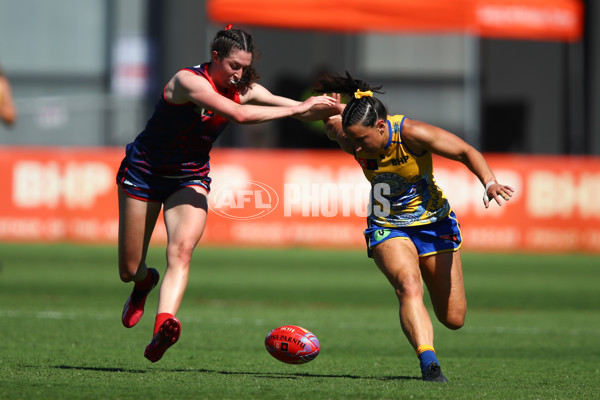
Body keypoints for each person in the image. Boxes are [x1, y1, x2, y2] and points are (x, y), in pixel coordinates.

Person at [116, 25, 338, 363]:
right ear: (215, 57)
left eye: (245, 67)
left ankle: (164, 326)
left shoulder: (243, 87)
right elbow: (239, 114)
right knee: (129, 269)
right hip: (143, 174)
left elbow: (299, 107)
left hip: (188, 177)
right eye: (234, 65)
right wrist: (298, 110)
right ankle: (145, 283)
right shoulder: (188, 81)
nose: (239, 74)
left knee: (182, 250)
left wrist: (327, 109)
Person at [318, 72, 514, 382]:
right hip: (387, 225)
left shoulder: (411, 133)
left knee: (453, 318)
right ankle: (429, 363)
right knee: (408, 285)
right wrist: (327, 110)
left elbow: (466, 151)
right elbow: (330, 122)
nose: (355, 148)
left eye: (361, 140)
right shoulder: (346, 136)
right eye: (351, 139)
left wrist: (489, 182)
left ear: (381, 127)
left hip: (434, 224)